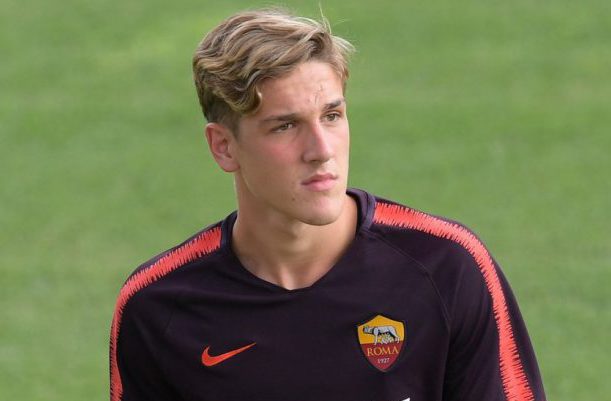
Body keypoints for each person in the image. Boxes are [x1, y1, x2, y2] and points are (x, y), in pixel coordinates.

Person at [109, 8, 546, 401]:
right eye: (285, 126)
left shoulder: (446, 267)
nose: (321, 150)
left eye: (332, 116)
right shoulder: (159, 308)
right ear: (224, 147)